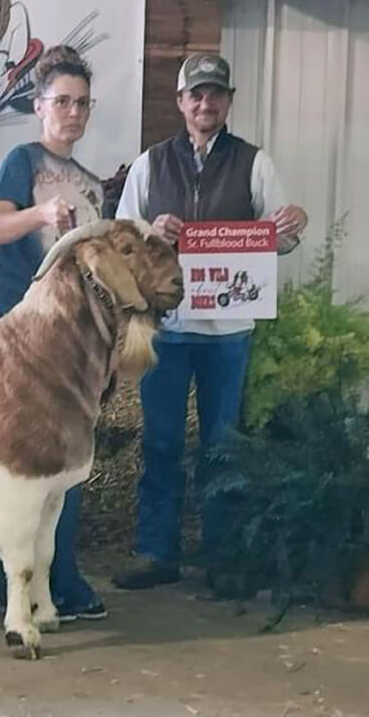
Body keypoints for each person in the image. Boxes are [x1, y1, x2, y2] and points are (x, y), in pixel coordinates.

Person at [114, 53, 307, 595]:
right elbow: (124, 239)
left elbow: (282, 234)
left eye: (215, 94)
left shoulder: (255, 162)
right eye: (196, 94)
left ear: (229, 101)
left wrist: (295, 223)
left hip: (229, 332)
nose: (206, 103)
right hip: (168, 330)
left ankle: (223, 559)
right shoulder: (150, 163)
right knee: (162, 444)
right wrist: (153, 229)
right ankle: (157, 553)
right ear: (180, 102)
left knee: (224, 446)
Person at [0, 44, 107, 622]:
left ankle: (61, 576)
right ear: (39, 105)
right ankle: (9, 581)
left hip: (71, 343)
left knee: (67, 463)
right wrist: (39, 215)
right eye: (62, 101)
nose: (73, 112)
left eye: (82, 102)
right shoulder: (23, 161)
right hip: (16, 330)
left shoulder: (93, 184)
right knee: (11, 460)